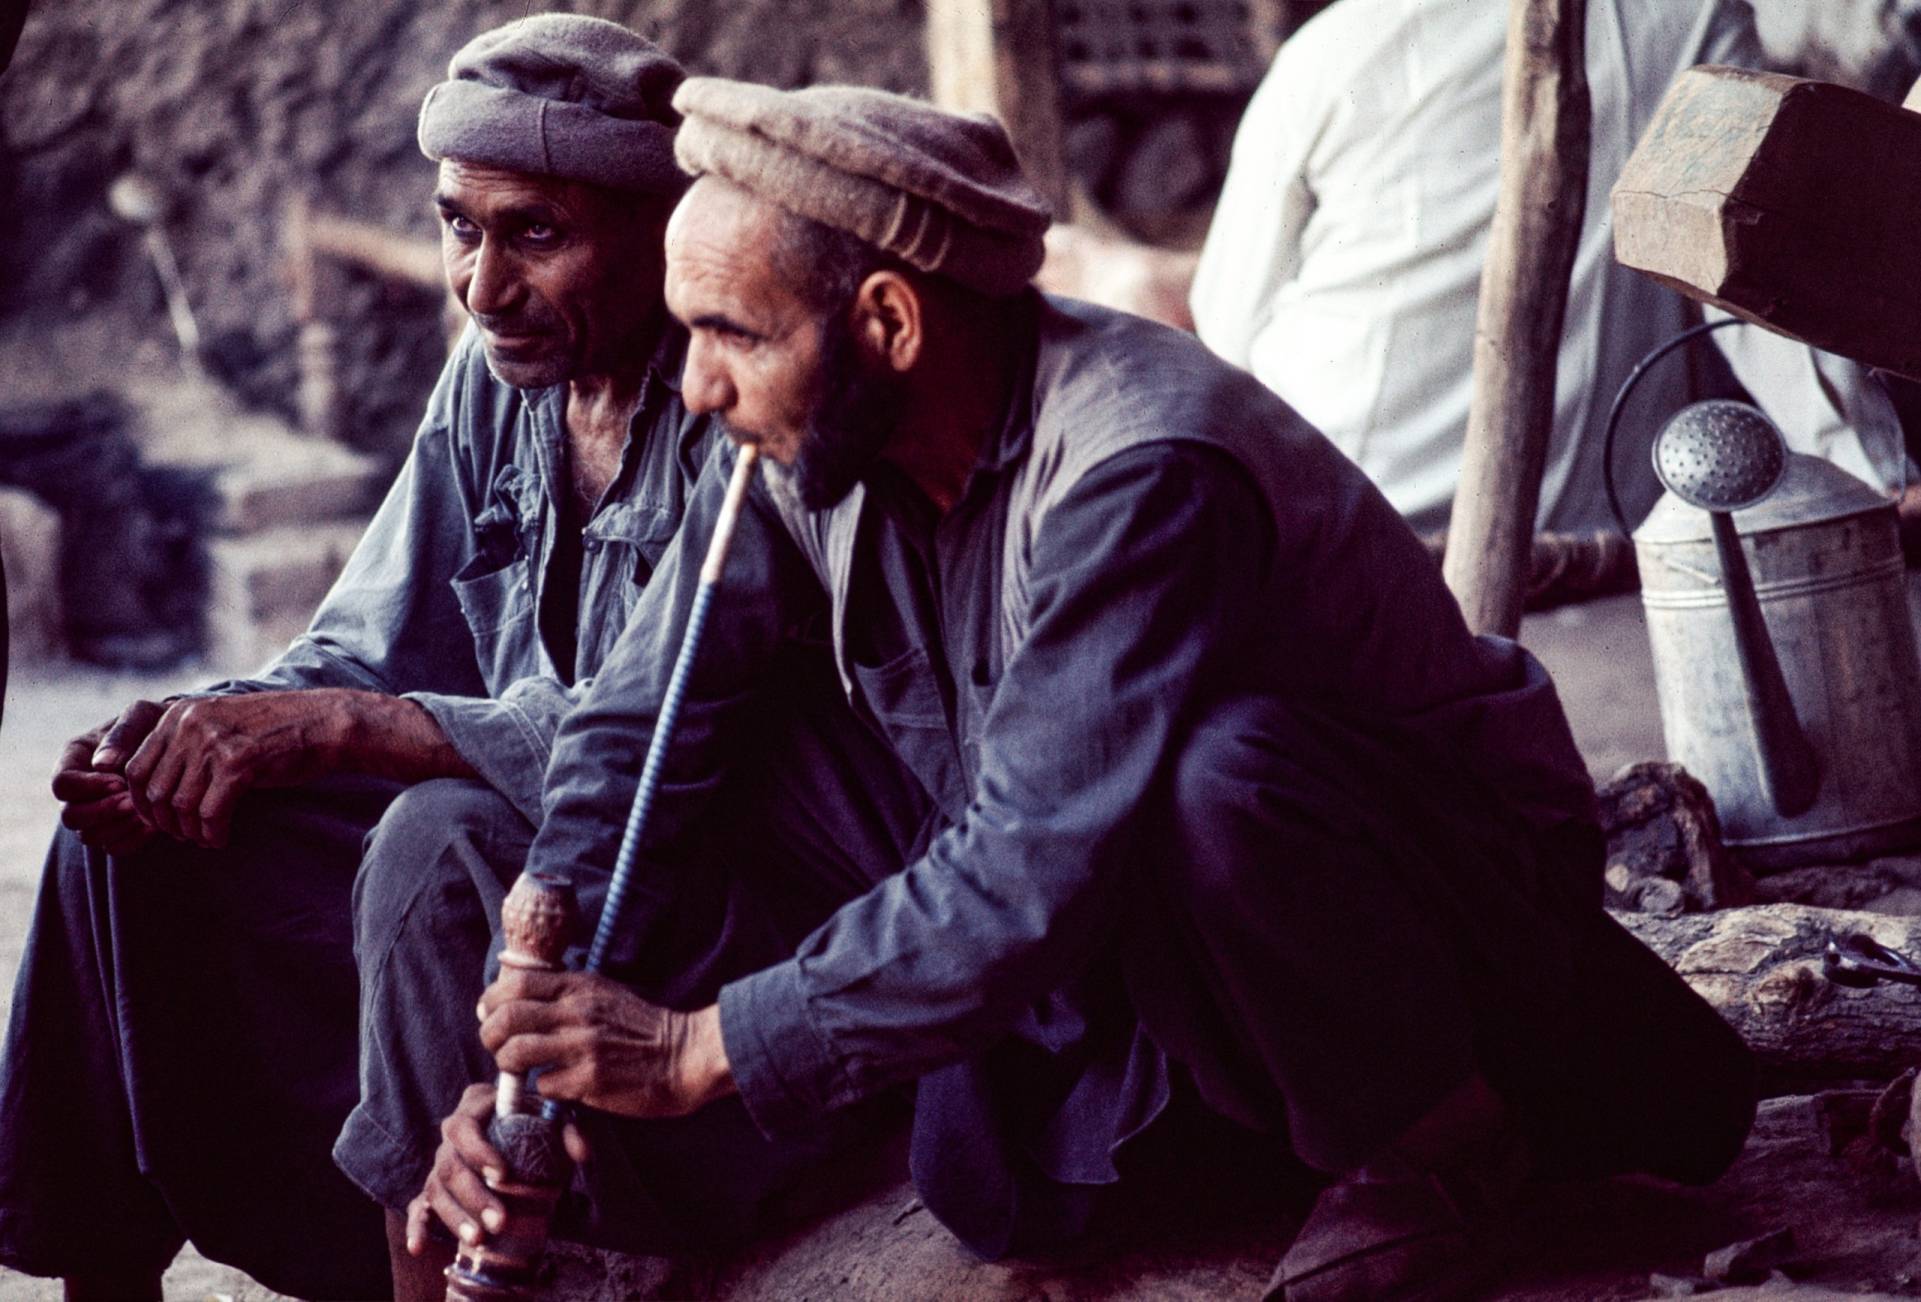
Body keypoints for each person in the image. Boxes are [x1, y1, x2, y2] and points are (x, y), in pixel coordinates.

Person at [384, 82, 1757, 1301]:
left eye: (729, 334)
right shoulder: (799, 441)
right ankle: (1219, 1114)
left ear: (887, 320)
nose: (695, 387)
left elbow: (1027, 857)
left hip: (1423, 907)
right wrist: (551, 928)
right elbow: (646, 710)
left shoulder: (1139, 463)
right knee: (986, 1173)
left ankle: (1438, 1142)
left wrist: (700, 1047)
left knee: (1221, 769)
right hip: (1140, 908)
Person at [0, 15, 752, 1299]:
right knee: (141, 818)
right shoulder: (497, 376)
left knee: (431, 827)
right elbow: (363, 637)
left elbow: (669, 746)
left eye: (538, 235)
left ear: (659, 228)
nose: (483, 286)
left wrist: (355, 728)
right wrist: (216, 724)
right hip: (513, 832)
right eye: (463, 227)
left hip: (680, 889)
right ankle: (98, 1273)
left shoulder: (735, 402)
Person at [1189, 0, 1894, 536]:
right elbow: (1751, 274)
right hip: (1595, 534)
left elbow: (1225, 327)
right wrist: (1873, 479)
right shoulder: (1686, 13)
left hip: (1347, 524)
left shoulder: (1340, 44)